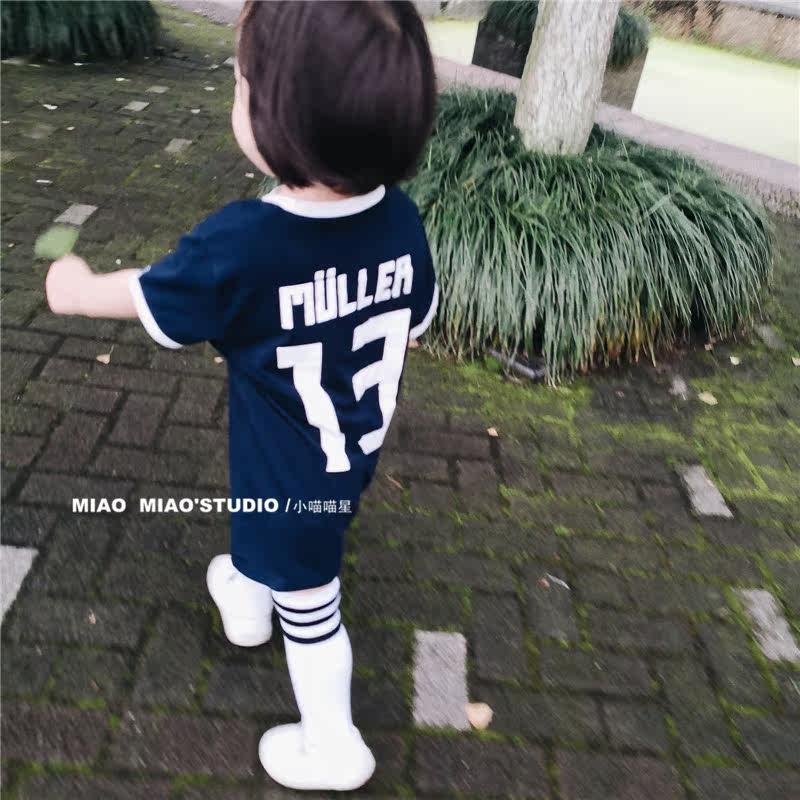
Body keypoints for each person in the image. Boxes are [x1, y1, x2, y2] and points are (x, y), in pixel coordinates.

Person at [44, 1, 438, 791]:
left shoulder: (244, 244)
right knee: (275, 537)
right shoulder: (400, 222)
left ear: (282, 120)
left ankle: (334, 746)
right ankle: (249, 595)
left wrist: (79, 290)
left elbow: (155, 294)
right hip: (349, 449)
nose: (237, 93)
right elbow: (416, 319)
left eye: (241, 83)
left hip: (293, 484)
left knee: (314, 607)